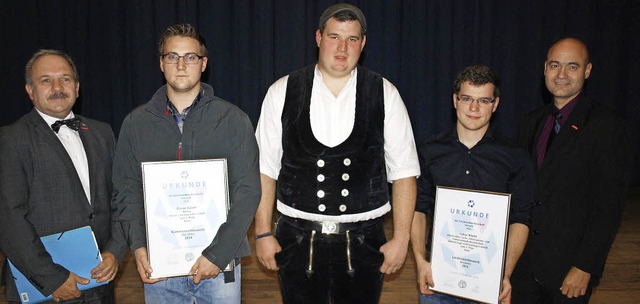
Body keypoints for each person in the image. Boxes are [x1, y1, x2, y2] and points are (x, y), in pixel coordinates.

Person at [254, 3, 420, 303]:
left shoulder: (385, 93)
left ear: (363, 43)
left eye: (352, 39)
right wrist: (264, 232)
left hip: (364, 242)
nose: (342, 48)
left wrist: (401, 238)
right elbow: (265, 169)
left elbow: (405, 174)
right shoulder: (282, 91)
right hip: (297, 239)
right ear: (318, 37)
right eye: (334, 37)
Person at [111, 23, 260, 303]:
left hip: (219, 265)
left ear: (203, 64)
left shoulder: (234, 120)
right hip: (159, 266)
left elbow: (248, 192)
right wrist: (139, 246)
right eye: (172, 57)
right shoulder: (135, 124)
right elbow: (126, 191)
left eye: (190, 57)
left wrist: (218, 254)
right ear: (161, 63)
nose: (181, 65)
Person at [0, 49, 127, 303]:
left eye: (66, 79)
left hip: (100, 282)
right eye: (45, 80)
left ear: (77, 88)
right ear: (29, 90)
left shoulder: (102, 133)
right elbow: (9, 220)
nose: (57, 87)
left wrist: (115, 251)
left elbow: (119, 199)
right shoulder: (11, 140)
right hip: (45, 289)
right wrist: (52, 279)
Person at [511, 37, 632, 303]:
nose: (562, 74)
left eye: (572, 66)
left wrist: (586, 266)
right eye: (555, 65)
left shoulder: (607, 127)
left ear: (587, 71)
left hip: (569, 272)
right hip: (523, 267)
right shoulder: (531, 122)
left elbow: (608, 207)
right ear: (544, 69)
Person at [410, 65, 535, 304]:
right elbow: (419, 208)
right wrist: (420, 261)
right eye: (467, 98)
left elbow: (521, 218)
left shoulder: (516, 157)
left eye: (484, 100)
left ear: (495, 104)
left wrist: (504, 274)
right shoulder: (428, 151)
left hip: (490, 284)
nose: (474, 108)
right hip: (437, 278)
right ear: (455, 100)